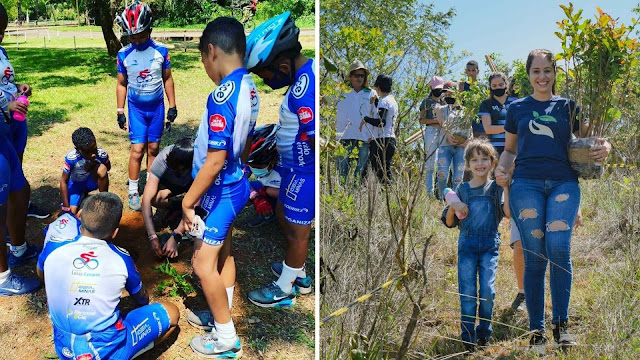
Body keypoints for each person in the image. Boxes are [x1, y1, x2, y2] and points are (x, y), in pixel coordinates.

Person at [495, 49, 611, 354]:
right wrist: (502, 167)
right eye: (536, 71)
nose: (542, 76)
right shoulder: (517, 109)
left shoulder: (568, 106)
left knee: (559, 247)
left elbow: (592, 138)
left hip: (563, 182)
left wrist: (606, 146)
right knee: (534, 254)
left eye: (547, 70)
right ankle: (537, 331)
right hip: (526, 185)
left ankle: (562, 325)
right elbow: (509, 150)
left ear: (555, 73)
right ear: (528, 74)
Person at [181, 17, 257, 358]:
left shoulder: (223, 92)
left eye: (202, 60)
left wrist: (188, 203)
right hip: (237, 181)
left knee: (201, 262)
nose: (206, 69)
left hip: (222, 189)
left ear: (211, 51)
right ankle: (220, 313)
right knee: (223, 252)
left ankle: (226, 338)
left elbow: (215, 159)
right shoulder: (249, 85)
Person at [37, 192, 179, 360]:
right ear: (115, 233)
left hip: (65, 346)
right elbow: (141, 299)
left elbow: (41, 275)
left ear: (80, 215)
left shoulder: (54, 247)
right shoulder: (121, 257)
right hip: (104, 348)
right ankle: (126, 354)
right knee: (172, 312)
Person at [245, 11, 315, 307]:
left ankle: (285, 288)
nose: (265, 82)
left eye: (266, 76)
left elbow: (315, 137)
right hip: (291, 168)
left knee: (298, 232)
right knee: (284, 216)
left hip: (304, 172)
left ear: (283, 65)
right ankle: (296, 270)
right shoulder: (300, 79)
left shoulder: (307, 88)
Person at [442, 138, 510, 351]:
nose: (480, 163)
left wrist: (507, 187)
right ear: (468, 165)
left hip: (490, 246)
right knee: (468, 293)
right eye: (474, 160)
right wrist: (454, 204)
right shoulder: (462, 189)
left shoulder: (496, 189)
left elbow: (507, 213)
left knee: (488, 291)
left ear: (492, 162)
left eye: (484, 159)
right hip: (467, 247)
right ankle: (468, 338)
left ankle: (484, 334)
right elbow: (450, 222)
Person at [115, 0, 177, 211]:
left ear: (150, 29)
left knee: (153, 149)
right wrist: (120, 110)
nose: (138, 39)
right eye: (133, 36)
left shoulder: (161, 51)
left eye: (142, 35)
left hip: (157, 107)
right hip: (137, 110)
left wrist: (173, 105)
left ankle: (151, 187)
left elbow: (167, 79)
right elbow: (121, 84)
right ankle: (133, 190)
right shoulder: (124, 54)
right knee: (137, 150)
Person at [477, 72, 525, 311]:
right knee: (494, 190)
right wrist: (509, 129)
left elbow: (518, 130)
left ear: (507, 85)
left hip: (517, 154)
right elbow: (487, 127)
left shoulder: (518, 102)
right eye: (493, 86)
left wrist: (505, 131)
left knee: (512, 192)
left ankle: (510, 220)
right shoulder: (486, 104)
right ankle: (495, 225)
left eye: (500, 85)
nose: (497, 88)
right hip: (494, 152)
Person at [141, 137, 194, 258]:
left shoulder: (199, 163)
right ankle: (176, 206)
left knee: (197, 216)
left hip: (193, 188)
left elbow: (195, 202)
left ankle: (183, 207)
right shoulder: (163, 158)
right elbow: (146, 200)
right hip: (173, 186)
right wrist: (152, 236)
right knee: (155, 198)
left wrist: (176, 235)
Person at [335, 60, 377, 185]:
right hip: (344, 137)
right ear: (350, 76)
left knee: (359, 174)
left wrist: (372, 135)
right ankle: (340, 196)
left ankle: (356, 198)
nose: (359, 78)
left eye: (362, 76)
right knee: (342, 172)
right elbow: (325, 102)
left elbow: (375, 115)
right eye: (356, 75)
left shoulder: (371, 93)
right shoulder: (341, 91)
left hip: (363, 139)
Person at [60, 127, 111, 215]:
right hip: (76, 186)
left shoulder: (102, 154)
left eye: (94, 149)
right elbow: (63, 181)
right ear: (78, 149)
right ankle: (80, 196)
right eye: (87, 152)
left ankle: (104, 201)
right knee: (71, 213)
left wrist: (94, 166)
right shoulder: (71, 158)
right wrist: (66, 206)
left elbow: (108, 168)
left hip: (91, 182)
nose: (93, 154)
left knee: (102, 169)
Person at [361, 74, 398, 185]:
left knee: (379, 168)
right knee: (384, 168)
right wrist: (377, 101)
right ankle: (387, 193)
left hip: (382, 140)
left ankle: (387, 190)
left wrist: (366, 119)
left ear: (378, 87)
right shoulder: (392, 101)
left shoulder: (384, 101)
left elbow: (381, 122)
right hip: (390, 138)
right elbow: (383, 114)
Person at [434, 81, 467, 199]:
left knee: (458, 178)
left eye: (450, 94)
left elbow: (470, 131)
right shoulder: (440, 109)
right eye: (446, 94)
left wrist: (466, 141)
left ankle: (456, 200)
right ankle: (442, 199)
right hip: (444, 145)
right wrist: (448, 135)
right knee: (442, 174)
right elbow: (443, 124)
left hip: (461, 147)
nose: (448, 96)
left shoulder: (465, 111)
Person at [246, 124, 281, 228]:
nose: (255, 169)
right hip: (267, 189)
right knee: (241, 191)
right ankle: (269, 212)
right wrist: (256, 197)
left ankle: (278, 212)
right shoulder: (251, 157)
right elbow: (240, 179)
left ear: (272, 159)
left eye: (258, 166)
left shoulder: (287, 163)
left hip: (285, 194)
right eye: (252, 166)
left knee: (272, 191)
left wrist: (266, 191)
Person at [419, 76, 445, 197]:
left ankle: (441, 192)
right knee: (430, 162)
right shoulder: (426, 102)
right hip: (431, 131)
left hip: (443, 132)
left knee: (443, 162)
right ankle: (429, 192)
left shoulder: (443, 102)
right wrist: (436, 121)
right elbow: (422, 120)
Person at [459, 60, 485, 139]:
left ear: (478, 71)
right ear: (466, 71)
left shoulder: (483, 86)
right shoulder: (462, 86)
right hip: (465, 123)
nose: (471, 73)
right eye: (469, 70)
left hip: (480, 124)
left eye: (473, 70)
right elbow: (459, 103)